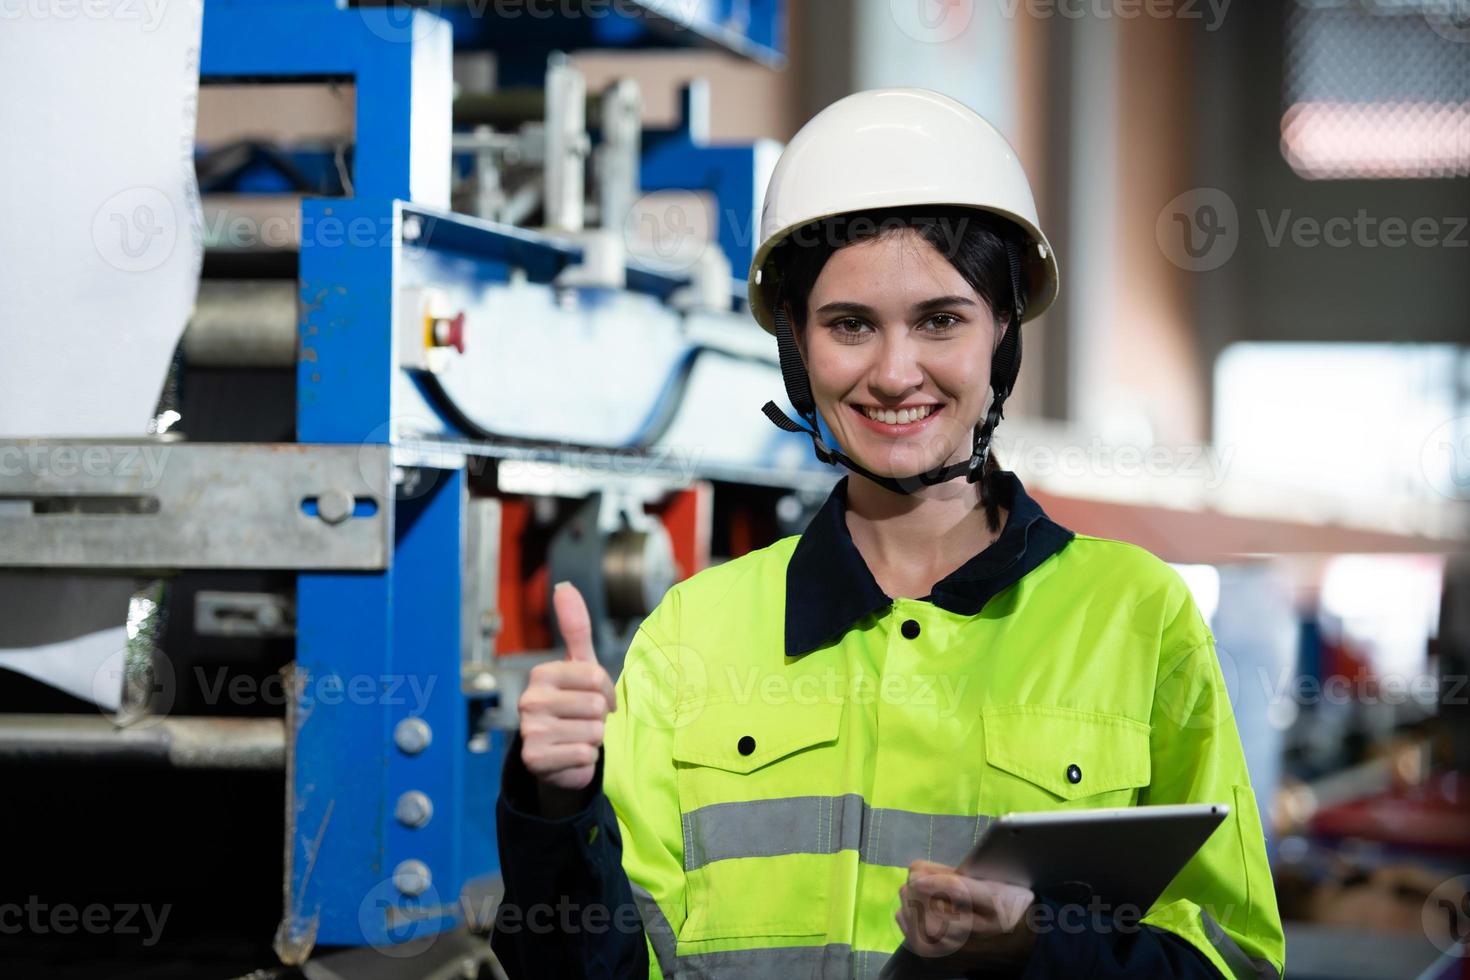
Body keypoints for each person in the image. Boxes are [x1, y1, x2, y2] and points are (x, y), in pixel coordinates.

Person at [491, 88, 1286, 979]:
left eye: (940, 320)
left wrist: (1039, 947)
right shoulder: (692, 633)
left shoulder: (1136, 617)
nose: (894, 372)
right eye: (849, 326)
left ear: (1002, 336)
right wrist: (558, 810)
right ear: (798, 348)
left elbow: (1234, 959)